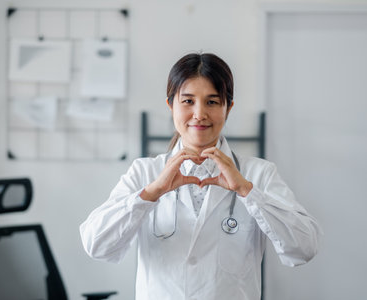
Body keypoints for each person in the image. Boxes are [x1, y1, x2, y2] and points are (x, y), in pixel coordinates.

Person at [80, 53, 322, 300]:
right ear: (171, 105)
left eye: (212, 102)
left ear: (228, 108)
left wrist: (248, 192)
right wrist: (150, 194)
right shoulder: (144, 173)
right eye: (187, 101)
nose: (199, 114)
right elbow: (96, 245)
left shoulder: (258, 174)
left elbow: (304, 248)